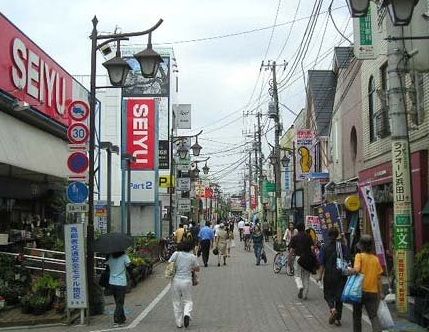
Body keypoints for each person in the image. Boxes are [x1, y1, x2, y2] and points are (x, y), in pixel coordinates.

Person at [348, 235, 383, 332]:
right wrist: (381, 293)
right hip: (372, 292)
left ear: (361, 246)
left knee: (357, 315)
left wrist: (349, 270)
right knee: (373, 316)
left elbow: (356, 270)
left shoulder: (359, 256)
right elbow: (378, 278)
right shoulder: (375, 259)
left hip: (359, 291)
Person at [317, 227, 348, 326]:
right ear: (337, 235)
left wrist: (320, 276)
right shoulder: (342, 246)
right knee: (339, 297)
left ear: (328, 235)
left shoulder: (324, 247)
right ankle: (338, 319)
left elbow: (322, 263)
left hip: (329, 275)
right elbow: (347, 258)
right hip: (340, 275)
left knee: (328, 294)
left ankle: (332, 309)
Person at [289, 223, 314, 300]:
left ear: (297, 229)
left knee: (297, 275)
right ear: (304, 228)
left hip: (298, 258)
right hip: (307, 258)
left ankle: (300, 286)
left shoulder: (295, 237)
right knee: (306, 276)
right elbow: (312, 248)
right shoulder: (309, 236)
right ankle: (305, 295)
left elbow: (292, 250)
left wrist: (289, 259)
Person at [106, 251, 131, 326]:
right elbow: (128, 265)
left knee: (118, 301)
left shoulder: (110, 256)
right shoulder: (124, 256)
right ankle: (116, 320)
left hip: (112, 282)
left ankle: (122, 317)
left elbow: (107, 266)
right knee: (120, 302)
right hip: (121, 282)